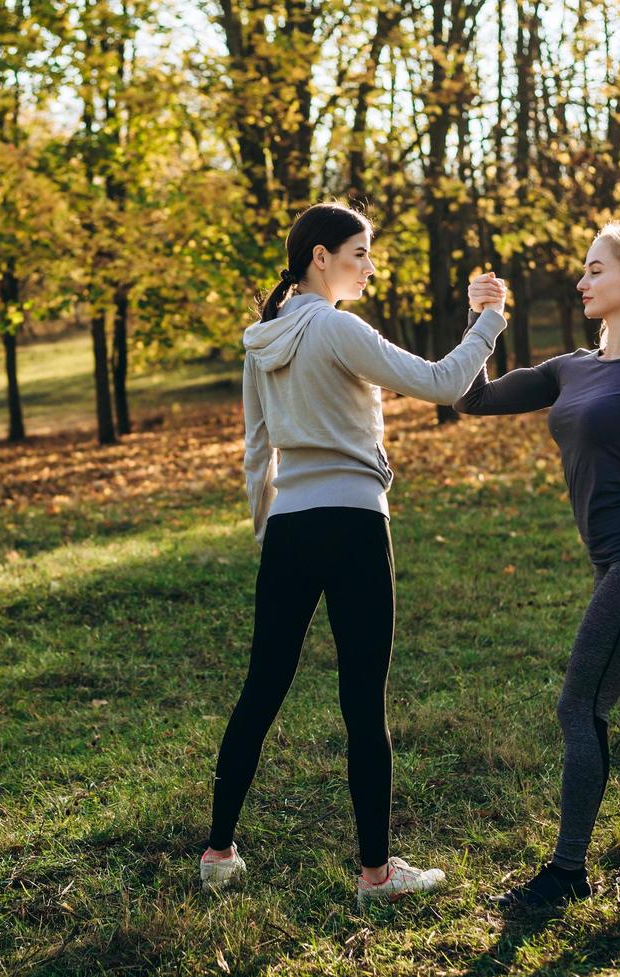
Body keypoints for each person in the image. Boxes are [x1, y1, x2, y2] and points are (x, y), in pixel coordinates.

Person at [200, 201, 510, 910]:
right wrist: (488, 321)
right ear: (320, 256)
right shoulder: (337, 328)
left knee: (261, 691)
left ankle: (218, 853)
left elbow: (256, 454)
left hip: (290, 529)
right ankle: (376, 875)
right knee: (362, 702)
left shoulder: (264, 337)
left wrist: (270, 535)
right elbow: (439, 382)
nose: (370, 266)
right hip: (354, 525)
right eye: (360, 253)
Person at [453, 223, 620, 911]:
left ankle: (566, 875)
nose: (581, 281)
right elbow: (470, 398)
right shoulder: (574, 366)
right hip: (616, 562)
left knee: (579, 707)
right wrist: (483, 321)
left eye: (596, 270)